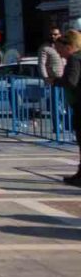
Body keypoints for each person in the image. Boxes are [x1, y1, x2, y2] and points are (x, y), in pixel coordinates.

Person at [59, 31, 81, 187]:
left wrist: (55, 80)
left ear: (69, 47)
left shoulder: (74, 59)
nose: (60, 52)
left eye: (61, 48)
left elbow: (71, 81)